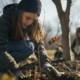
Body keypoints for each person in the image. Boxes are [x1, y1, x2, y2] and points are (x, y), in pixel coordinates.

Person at [0, 0, 63, 79]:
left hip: (9, 51)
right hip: (2, 49)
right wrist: (15, 69)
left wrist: (46, 63)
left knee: (29, 47)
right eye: (27, 18)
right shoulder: (5, 19)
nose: (29, 22)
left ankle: (4, 70)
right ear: (20, 12)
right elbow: (1, 49)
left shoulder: (34, 23)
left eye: (33, 19)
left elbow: (39, 45)